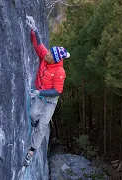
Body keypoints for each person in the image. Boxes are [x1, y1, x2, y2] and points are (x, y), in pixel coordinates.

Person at [24, 15, 70, 166]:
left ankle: (32, 149)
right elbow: (39, 44)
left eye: (50, 54)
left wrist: (39, 93)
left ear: (55, 60)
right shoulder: (46, 56)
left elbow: (56, 91)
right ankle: (35, 122)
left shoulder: (59, 72)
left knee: (43, 124)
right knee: (33, 115)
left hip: (50, 99)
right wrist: (34, 28)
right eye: (49, 52)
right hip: (40, 93)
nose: (47, 54)